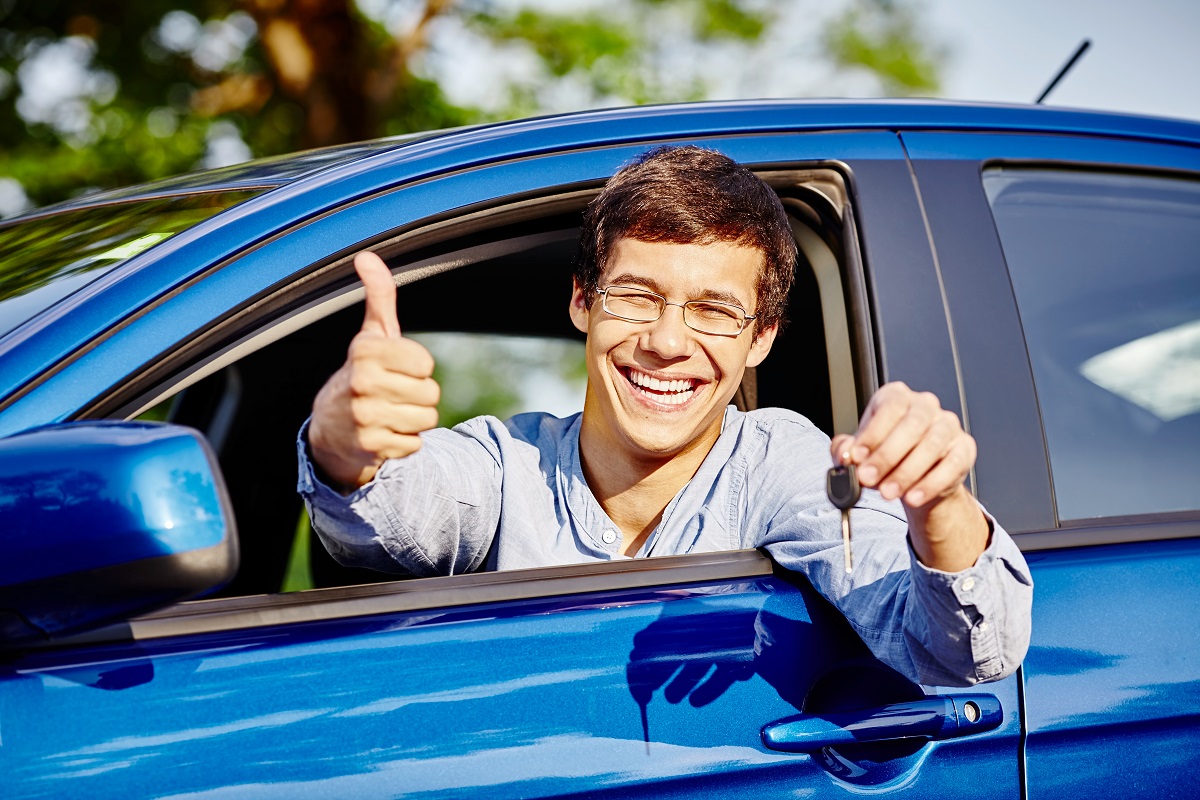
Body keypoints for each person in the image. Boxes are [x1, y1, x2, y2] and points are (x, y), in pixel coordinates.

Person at [297, 145, 1032, 687]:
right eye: (636, 297)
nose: (667, 343)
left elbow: (967, 654)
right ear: (583, 301)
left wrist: (940, 507)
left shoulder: (783, 464)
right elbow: (390, 513)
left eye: (714, 311)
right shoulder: (505, 460)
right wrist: (343, 443)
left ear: (762, 339)